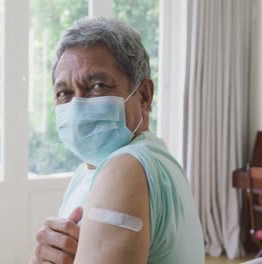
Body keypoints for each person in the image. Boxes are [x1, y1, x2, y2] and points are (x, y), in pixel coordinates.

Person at [30, 17, 204, 264]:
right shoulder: (94, 169)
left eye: (98, 85)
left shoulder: (125, 167)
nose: (78, 104)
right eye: (64, 93)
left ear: (144, 95)